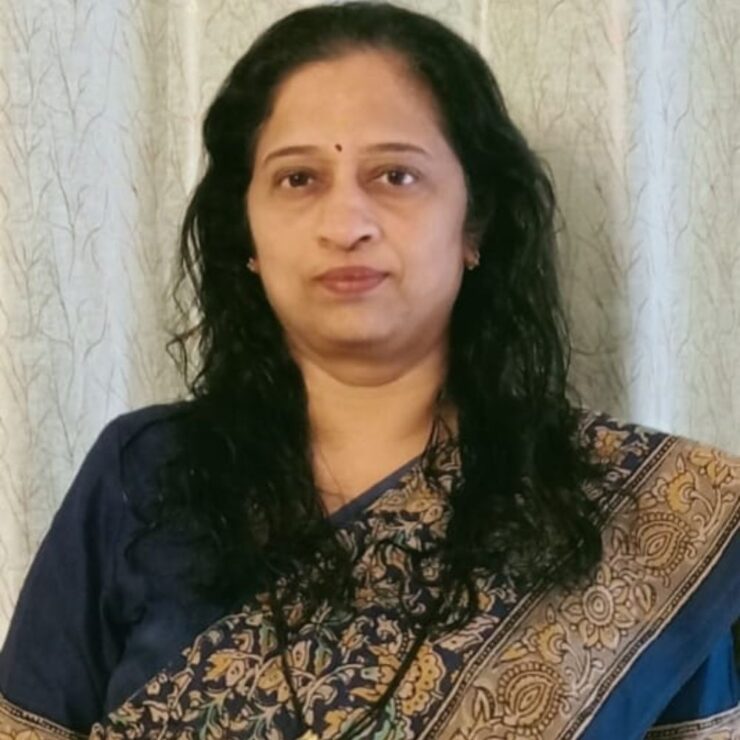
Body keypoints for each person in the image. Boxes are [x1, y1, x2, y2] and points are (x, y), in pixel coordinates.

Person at [0, 2, 737, 738]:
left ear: (473, 223)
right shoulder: (144, 477)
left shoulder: (640, 520)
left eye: (395, 175)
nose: (345, 224)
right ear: (246, 234)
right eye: (298, 179)